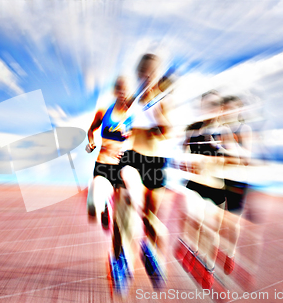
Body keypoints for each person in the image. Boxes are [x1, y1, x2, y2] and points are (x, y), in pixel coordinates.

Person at [116, 53, 173, 290]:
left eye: (152, 72)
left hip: (155, 161)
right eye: (144, 72)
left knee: (150, 219)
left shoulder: (163, 100)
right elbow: (119, 124)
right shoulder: (131, 100)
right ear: (139, 73)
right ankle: (121, 260)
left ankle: (149, 252)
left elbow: (165, 132)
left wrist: (155, 110)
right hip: (131, 158)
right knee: (126, 204)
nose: (147, 76)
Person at [177, 90, 239, 289]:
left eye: (213, 105)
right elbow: (181, 152)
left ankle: (208, 268)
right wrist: (184, 161)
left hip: (215, 187)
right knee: (194, 217)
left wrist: (217, 155)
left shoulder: (224, 132)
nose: (209, 109)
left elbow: (233, 160)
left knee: (211, 230)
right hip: (195, 185)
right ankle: (190, 249)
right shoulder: (191, 130)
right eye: (206, 105)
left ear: (219, 109)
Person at [86, 77, 132, 230]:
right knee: (92, 209)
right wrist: (91, 143)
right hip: (103, 163)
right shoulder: (103, 112)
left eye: (125, 89)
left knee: (125, 209)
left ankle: (120, 246)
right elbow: (91, 129)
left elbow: (137, 140)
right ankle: (104, 204)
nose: (122, 92)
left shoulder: (133, 117)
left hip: (121, 166)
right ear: (115, 91)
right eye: (119, 88)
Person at [218, 95, 252, 275]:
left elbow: (246, 158)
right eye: (225, 108)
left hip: (237, 181)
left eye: (231, 108)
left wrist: (228, 147)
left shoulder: (243, 128)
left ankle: (230, 254)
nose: (227, 111)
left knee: (232, 221)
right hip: (218, 179)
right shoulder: (218, 129)